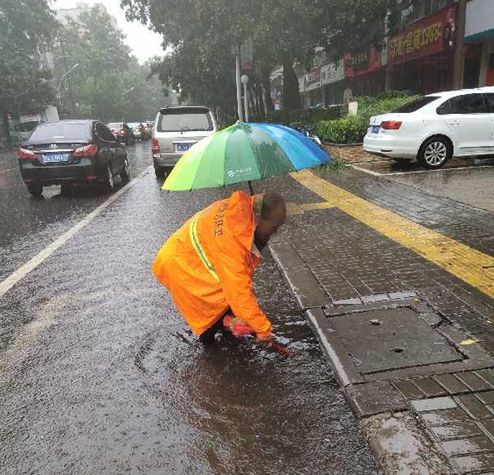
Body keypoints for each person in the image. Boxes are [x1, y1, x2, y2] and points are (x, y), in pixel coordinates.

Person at [152, 191, 286, 346]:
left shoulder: (241, 210)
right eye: (274, 226)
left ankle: (227, 326)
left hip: (184, 251)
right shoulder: (233, 239)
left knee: (229, 308)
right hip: (182, 265)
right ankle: (211, 358)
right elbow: (237, 290)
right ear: (260, 218)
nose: (276, 232)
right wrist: (262, 330)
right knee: (209, 318)